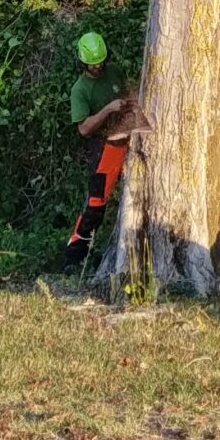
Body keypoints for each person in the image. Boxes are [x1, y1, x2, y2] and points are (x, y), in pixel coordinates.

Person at [63, 29, 143, 270]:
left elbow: (128, 93)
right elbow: (84, 129)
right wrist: (108, 109)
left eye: (100, 63)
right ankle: (75, 255)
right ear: (82, 63)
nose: (97, 68)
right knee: (96, 203)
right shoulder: (80, 89)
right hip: (102, 147)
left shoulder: (115, 71)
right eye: (92, 65)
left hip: (128, 137)